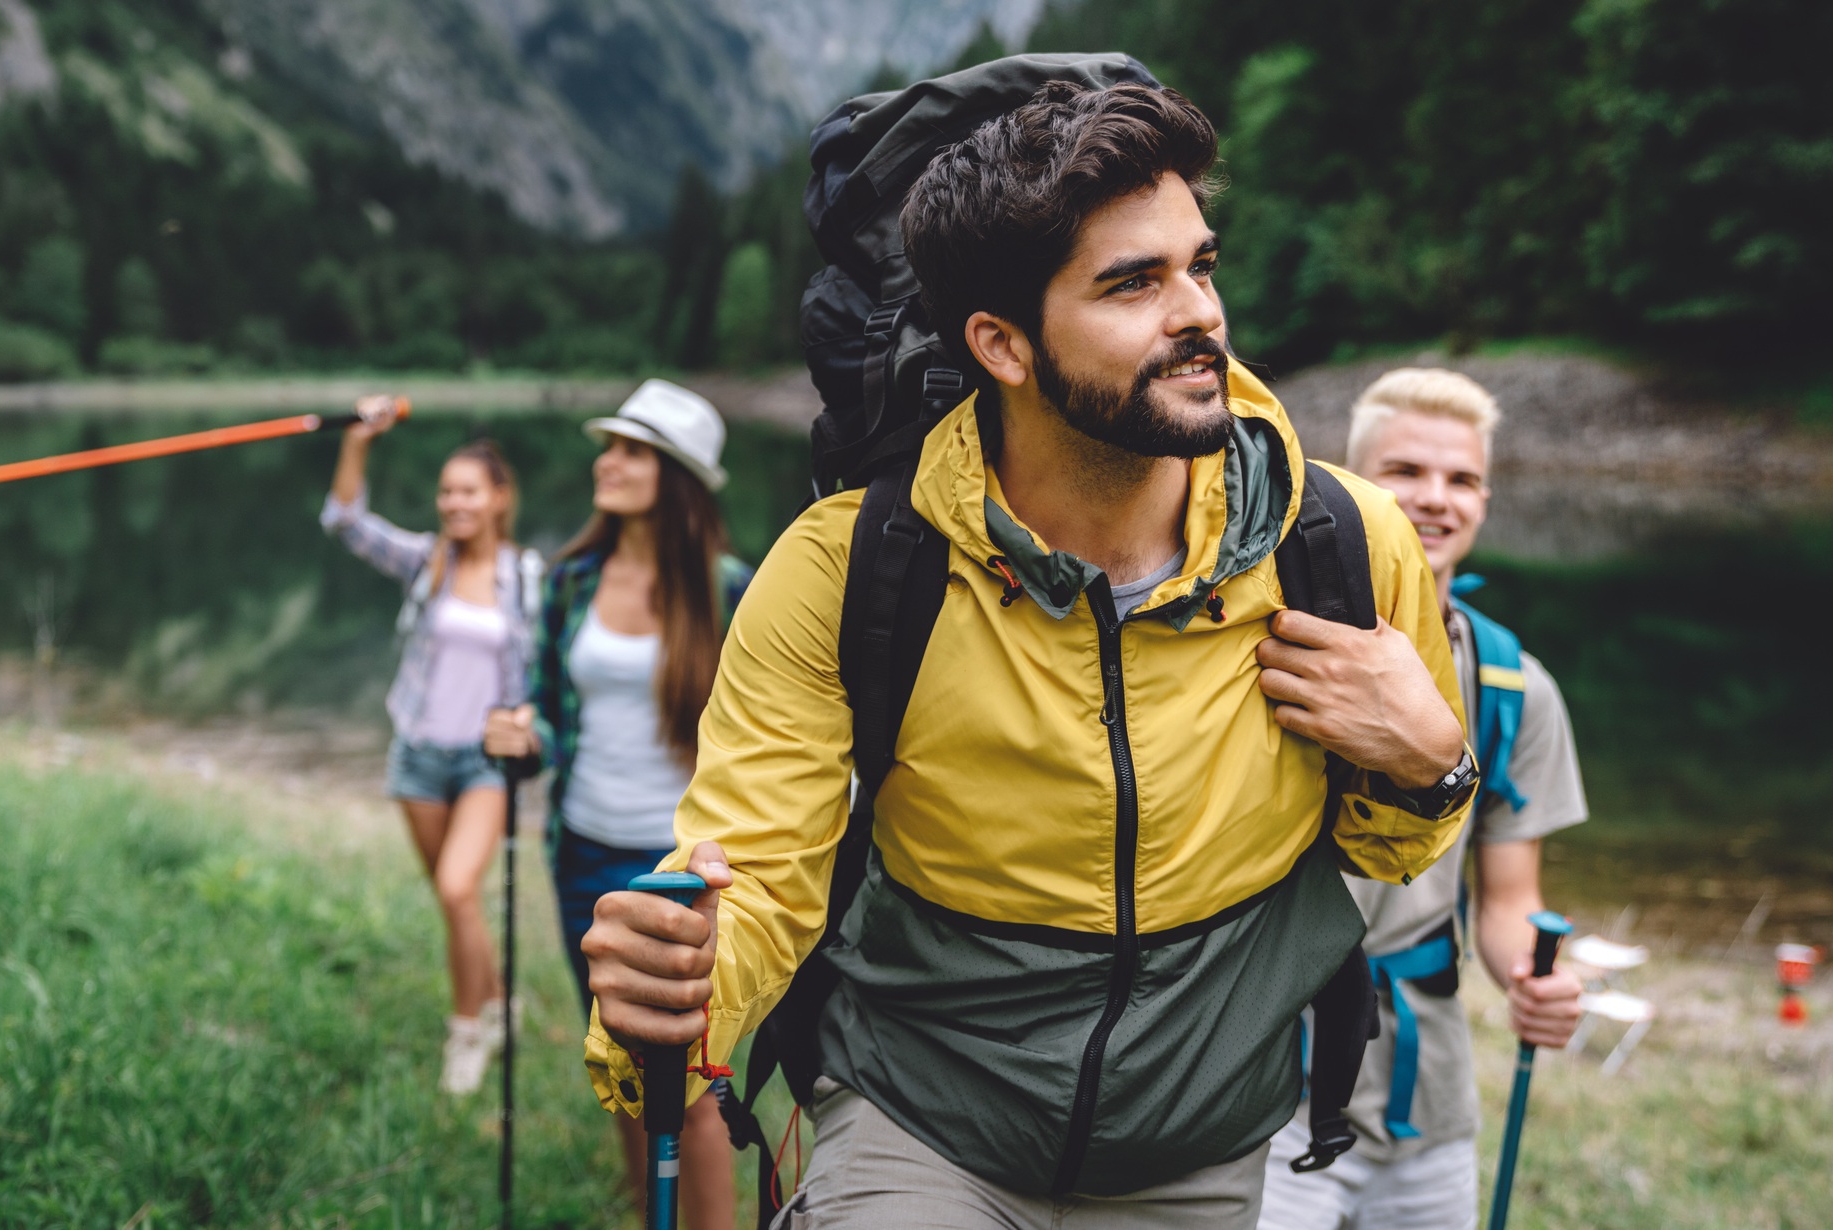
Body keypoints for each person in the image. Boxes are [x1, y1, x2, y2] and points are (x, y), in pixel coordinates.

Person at [566, 82, 1480, 1229]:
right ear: (999, 343)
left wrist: (1432, 759)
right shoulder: (849, 569)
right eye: (1131, 283)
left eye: (1199, 265)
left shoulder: (1339, 543)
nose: (1197, 312)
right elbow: (756, 868)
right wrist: (677, 983)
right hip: (917, 1121)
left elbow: (1386, 846)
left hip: (1194, 1157)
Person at [1258, 368, 1589, 1229]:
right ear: (1351, 482)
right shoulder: (1274, 646)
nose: (1436, 499)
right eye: (1406, 471)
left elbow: (1512, 901)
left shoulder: (1517, 687)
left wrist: (1534, 976)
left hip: (1429, 1105)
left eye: (1463, 478)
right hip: (1266, 1089)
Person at [484, 379, 750, 1229]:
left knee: (694, 1090)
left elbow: (772, 743)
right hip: (584, 857)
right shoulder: (570, 580)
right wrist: (526, 739)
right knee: (622, 1075)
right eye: (610, 445)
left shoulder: (733, 588)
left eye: (633, 450)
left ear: (675, 476)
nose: (609, 461)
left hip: (682, 871)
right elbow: (553, 714)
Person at [321, 397, 540, 1095]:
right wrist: (358, 440)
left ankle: (466, 1033)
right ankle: (503, 1000)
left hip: (485, 760)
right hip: (418, 752)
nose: (454, 502)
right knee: (456, 902)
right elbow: (345, 521)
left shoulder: (529, 578)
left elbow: (551, 663)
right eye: (447, 491)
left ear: (500, 498)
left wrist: (532, 716)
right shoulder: (428, 562)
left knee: (456, 888)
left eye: (469, 490)